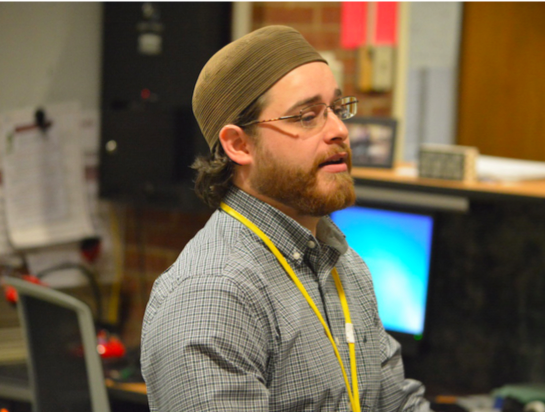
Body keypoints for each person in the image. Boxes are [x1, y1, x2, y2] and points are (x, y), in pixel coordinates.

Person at [141, 25, 431, 412]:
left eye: (337, 109)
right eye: (307, 116)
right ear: (239, 145)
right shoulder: (214, 295)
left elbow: (397, 403)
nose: (340, 130)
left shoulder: (344, 265)